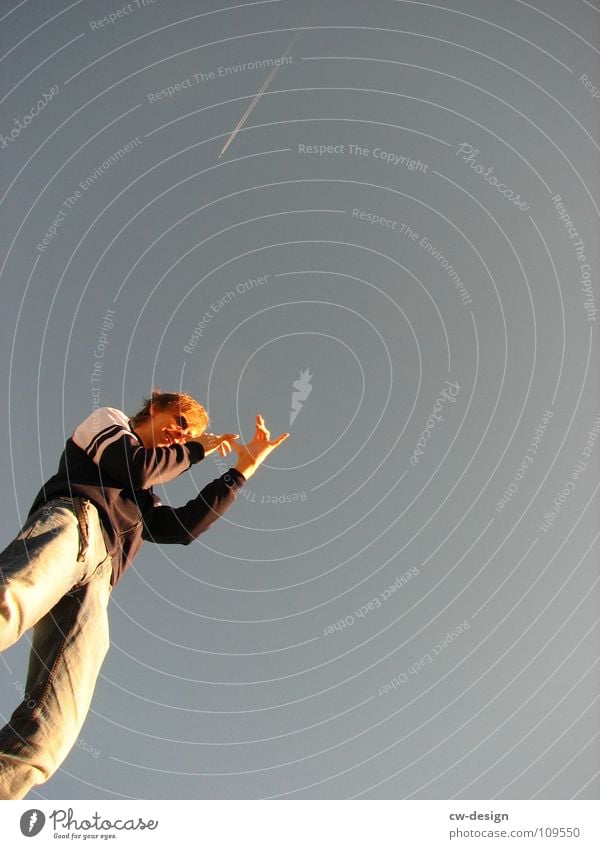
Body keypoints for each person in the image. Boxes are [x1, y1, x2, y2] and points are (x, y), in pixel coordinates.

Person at [0, 390, 289, 799]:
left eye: (191, 433)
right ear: (155, 409)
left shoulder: (142, 498)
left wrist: (244, 468)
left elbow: (182, 528)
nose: (183, 435)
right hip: (74, 523)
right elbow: (134, 466)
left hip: (98, 584)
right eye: (181, 422)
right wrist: (194, 450)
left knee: (52, 727)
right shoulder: (107, 423)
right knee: (9, 600)